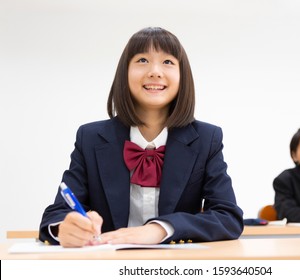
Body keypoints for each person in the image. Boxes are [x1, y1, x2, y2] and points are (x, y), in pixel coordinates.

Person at [39, 27, 243, 247]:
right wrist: (64, 228)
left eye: (167, 62)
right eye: (143, 60)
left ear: (183, 75)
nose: (155, 71)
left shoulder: (206, 138)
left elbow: (228, 217)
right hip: (107, 265)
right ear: (124, 73)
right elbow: (57, 213)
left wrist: (161, 229)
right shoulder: (90, 138)